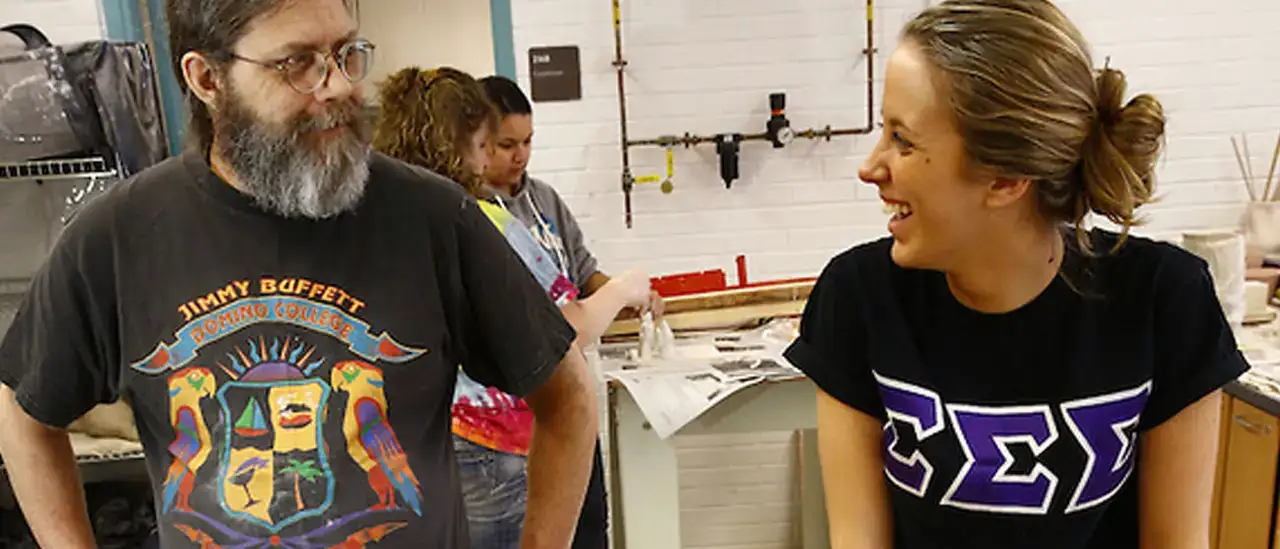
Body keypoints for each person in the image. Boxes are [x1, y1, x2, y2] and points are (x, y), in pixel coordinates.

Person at [0, 1, 600, 547]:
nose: (338, 84)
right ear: (207, 79)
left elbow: (567, 394)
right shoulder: (119, 237)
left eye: (345, 53)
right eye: (297, 64)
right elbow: (23, 410)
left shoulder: (433, 218)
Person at [783, 1, 1246, 548]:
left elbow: (1176, 541)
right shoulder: (858, 297)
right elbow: (858, 540)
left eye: (903, 139)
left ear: (1004, 179)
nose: (870, 167)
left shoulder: (1164, 300)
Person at [371, 66, 652, 548]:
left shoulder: (388, 223)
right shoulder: (478, 221)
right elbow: (566, 330)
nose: (488, 160)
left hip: (439, 441)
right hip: (497, 443)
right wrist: (627, 288)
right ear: (456, 145)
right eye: (486, 144)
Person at [479, 74, 663, 548]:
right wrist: (617, 292)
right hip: (510, 429)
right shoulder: (474, 215)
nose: (520, 155)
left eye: (528, 142)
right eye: (507, 145)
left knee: (588, 532)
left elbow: (583, 274)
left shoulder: (543, 200)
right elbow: (562, 327)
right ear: (478, 142)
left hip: (571, 404)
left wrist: (625, 296)